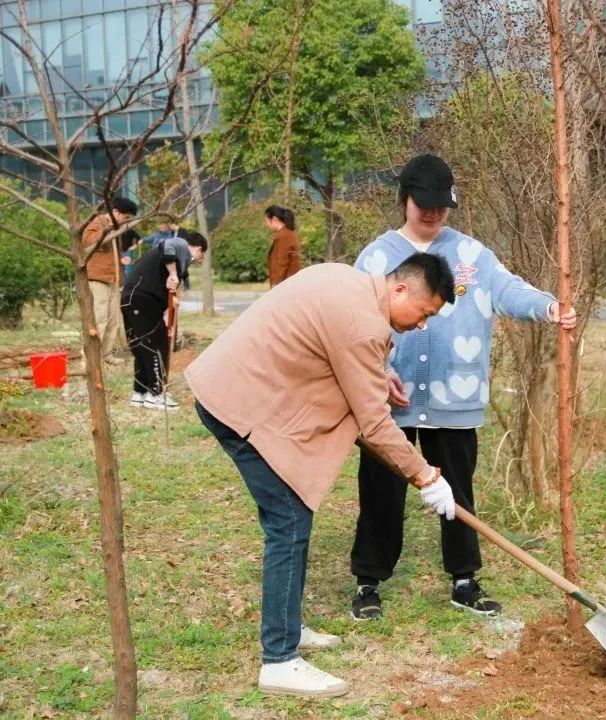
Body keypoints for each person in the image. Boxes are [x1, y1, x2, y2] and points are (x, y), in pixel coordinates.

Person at [185, 254, 458, 698]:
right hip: (237, 403)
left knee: (290, 517)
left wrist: (378, 372)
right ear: (401, 290)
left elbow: (332, 348)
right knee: (289, 521)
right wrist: (426, 477)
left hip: (238, 386)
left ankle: (286, 625)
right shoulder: (363, 325)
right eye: (424, 313)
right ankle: (280, 659)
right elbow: (373, 422)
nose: (421, 324)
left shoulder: (344, 279)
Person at [348, 154, 578, 621]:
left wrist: (549, 307)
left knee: (457, 491)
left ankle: (464, 578)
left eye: (441, 206)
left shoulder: (472, 255)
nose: (432, 214)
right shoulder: (376, 257)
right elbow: (351, 320)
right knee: (380, 491)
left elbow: (509, 290)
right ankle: (368, 580)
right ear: (404, 200)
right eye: (423, 205)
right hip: (389, 400)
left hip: (457, 398)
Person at [121, 229, 207, 410]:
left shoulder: (177, 260)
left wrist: (171, 301)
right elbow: (168, 246)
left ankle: (140, 393)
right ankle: (156, 394)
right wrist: (174, 274)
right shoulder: (180, 245)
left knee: (142, 346)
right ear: (198, 249)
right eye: (201, 256)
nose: (199, 260)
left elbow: (170, 283)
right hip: (143, 298)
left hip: (133, 298)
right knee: (156, 344)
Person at [82, 197, 137, 365]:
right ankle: (89, 359)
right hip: (97, 278)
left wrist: (121, 260)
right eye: (126, 217)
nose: (126, 222)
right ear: (115, 212)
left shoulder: (116, 229)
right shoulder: (97, 223)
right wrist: (108, 229)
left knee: (114, 320)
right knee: (99, 320)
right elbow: (87, 243)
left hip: (112, 279)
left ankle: (106, 354)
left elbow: (108, 252)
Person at [265, 205, 303, 287]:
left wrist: (276, 285)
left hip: (286, 285)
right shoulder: (289, 234)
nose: (267, 224)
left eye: (267, 221)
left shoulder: (284, 236)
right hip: (290, 283)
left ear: (274, 219)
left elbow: (282, 263)